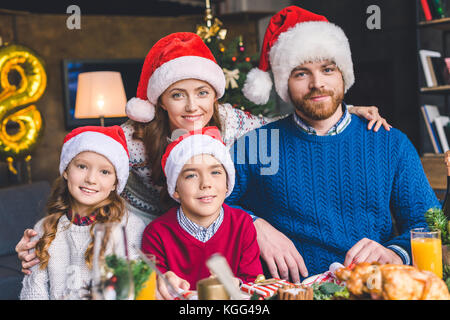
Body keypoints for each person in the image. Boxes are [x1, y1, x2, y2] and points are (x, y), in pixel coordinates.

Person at [16, 32, 389, 275]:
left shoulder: (234, 123)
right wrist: (44, 239)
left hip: (207, 235)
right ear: (160, 99)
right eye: (178, 94)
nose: (193, 106)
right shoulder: (132, 138)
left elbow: (288, 121)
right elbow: (83, 176)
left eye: (202, 92)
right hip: (142, 235)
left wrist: (348, 111)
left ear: (215, 94)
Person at [226, 6, 440, 281]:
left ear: (343, 75)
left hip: (368, 287)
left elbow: (429, 221)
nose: (317, 83)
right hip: (291, 294)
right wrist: (254, 225)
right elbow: (208, 204)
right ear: (284, 84)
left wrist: (396, 252)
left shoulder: (389, 142)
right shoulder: (260, 143)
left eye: (327, 69)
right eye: (301, 73)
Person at [19, 126, 146, 300]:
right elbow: (34, 291)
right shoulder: (43, 229)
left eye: (104, 171)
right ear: (65, 170)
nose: (91, 179)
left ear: (116, 183)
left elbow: (134, 290)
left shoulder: (130, 227)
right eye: (82, 166)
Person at [141, 127, 262, 299]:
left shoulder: (242, 223)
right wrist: (161, 282)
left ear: (228, 183)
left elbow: (255, 283)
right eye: (191, 175)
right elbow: (151, 287)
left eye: (215, 172)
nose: (206, 184)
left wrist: (238, 285)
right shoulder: (157, 233)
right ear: (175, 189)